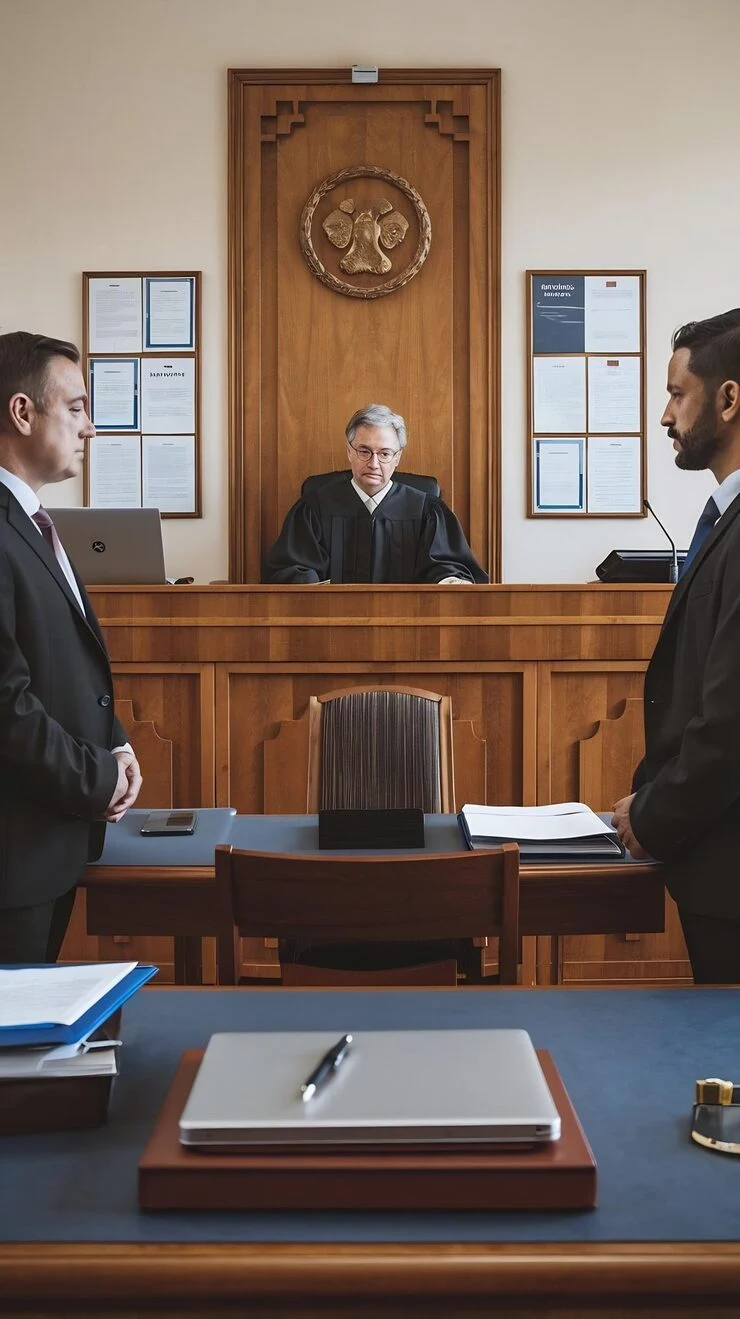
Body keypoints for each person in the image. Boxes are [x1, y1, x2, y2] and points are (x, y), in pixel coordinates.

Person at [0, 331, 142, 963]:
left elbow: (61, 663)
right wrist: (99, 777)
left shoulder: (31, 522)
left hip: (46, 842)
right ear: (22, 412)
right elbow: (7, 705)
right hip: (14, 856)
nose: (90, 427)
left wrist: (115, 742)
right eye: (77, 407)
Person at [611, 308, 740, 983]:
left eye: (676, 393)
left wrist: (652, 815)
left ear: (729, 399)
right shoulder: (723, 516)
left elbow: (729, 722)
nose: (665, 416)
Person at [262, 403, 488, 584]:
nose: (374, 463)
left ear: (397, 458)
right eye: (364, 451)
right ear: (349, 451)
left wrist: (449, 580)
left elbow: (447, 567)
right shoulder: (315, 507)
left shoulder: (426, 510)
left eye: (385, 454)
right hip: (331, 623)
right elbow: (290, 567)